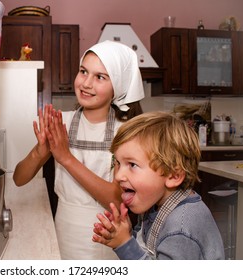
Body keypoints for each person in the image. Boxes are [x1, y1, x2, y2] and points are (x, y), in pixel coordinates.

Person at [13, 40, 145, 259]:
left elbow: (118, 199)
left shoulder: (127, 132)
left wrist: (66, 158)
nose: (86, 83)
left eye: (100, 77)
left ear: (117, 86)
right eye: (83, 71)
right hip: (63, 228)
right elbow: (19, 179)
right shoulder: (61, 121)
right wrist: (40, 150)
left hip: (106, 233)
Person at [92, 111, 225, 260]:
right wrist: (127, 234)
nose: (118, 176)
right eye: (117, 163)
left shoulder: (180, 230)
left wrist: (124, 244)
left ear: (173, 176)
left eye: (132, 165)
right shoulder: (154, 203)